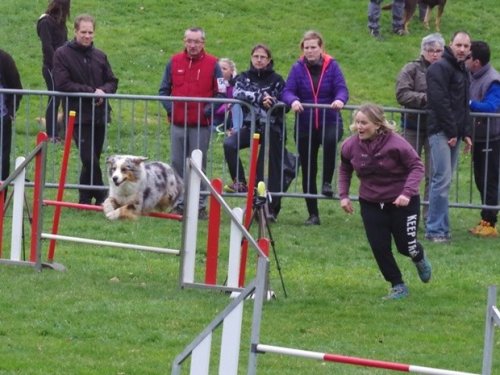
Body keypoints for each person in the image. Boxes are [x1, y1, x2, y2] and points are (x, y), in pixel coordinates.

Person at [338, 103, 431, 300]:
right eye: (357, 123)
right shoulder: (350, 145)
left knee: (406, 246)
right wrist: (344, 195)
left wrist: (407, 193)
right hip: (371, 202)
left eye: (364, 123)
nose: (360, 127)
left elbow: (417, 166)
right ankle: (398, 285)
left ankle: (418, 257)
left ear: (378, 124)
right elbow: (345, 168)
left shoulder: (396, 143)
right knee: (379, 246)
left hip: (402, 201)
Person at [282, 30, 349, 225]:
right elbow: (287, 91)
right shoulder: (297, 68)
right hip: (305, 123)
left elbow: (342, 88)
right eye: (306, 47)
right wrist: (293, 101)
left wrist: (339, 99)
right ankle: (313, 214)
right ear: (302, 49)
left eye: (313, 47)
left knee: (330, 141)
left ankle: (327, 182)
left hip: (330, 120)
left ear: (321, 48)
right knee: (308, 167)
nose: (310, 51)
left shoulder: (332, 66)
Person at [53, 14, 118, 205]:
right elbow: (62, 83)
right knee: (88, 158)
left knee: (94, 158)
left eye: (90, 32)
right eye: (83, 32)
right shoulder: (62, 54)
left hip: (99, 115)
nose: (87, 36)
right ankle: (102, 195)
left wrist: (102, 92)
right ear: (75, 31)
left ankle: (84, 197)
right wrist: (91, 92)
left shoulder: (100, 56)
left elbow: (112, 81)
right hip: (78, 115)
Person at [159, 27, 224, 219]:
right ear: (184, 41)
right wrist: (171, 109)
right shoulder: (174, 62)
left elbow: (221, 92)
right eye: (189, 41)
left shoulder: (213, 64)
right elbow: (163, 90)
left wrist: (207, 112)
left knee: (198, 166)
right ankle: (179, 203)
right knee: (177, 164)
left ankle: (199, 205)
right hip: (178, 123)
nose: (193, 45)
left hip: (201, 125)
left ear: (203, 43)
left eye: (197, 41)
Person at [223, 44, 286, 220]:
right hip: (249, 127)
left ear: (269, 60)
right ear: (251, 58)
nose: (259, 60)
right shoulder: (243, 77)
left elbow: (285, 102)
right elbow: (238, 92)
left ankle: (267, 210)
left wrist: (273, 102)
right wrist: (260, 97)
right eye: (256, 56)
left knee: (263, 171)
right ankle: (240, 182)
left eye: (263, 57)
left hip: (271, 129)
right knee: (229, 144)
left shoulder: (277, 79)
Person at [425, 31, 472, 243]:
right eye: (458, 44)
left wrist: (467, 132)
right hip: (440, 131)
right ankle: (435, 230)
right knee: (440, 180)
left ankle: (442, 228)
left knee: (445, 181)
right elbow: (439, 101)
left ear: (470, 49)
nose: (462, 49)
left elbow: (464, 105)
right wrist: (452, 132)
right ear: (450, 45)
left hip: (454, 132)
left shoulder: (463, 70)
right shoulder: (439, 67)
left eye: (466, 46)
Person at [396, 32, 445, 222]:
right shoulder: (411, 68)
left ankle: (429, 216)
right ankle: (406, 212)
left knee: (434, 173)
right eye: (430, 50)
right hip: (412, 127)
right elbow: (402, 94)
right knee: (407, 170)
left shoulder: (447, 70)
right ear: (423, 51)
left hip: (437, 129)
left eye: (438, 50)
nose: (434, 54)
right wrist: (427, 99)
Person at [466, 41, 500, 237]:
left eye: (468, 57)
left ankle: (490, 223)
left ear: (476, 61)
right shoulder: (473, 75)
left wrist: (468, 103)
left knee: (489, 179)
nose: (465, 60)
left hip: (491, 139)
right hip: (479, 137)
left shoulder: (493, 80)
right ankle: (485, 219)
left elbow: (491, 107)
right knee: (481, 179)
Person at [37, 0, 71, 142]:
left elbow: (64, 43)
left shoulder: (60, 24)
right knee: (54, 97)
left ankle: (64, 132)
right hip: (51, 67)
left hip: (62, 67)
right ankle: (51, 134)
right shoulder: (45, 22)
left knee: (64, 98)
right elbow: (47, 46)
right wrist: (56, 65)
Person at [0, 49, 23, 183]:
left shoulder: (4, 59)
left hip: (2, 118)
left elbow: (16, 88)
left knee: (2, 159)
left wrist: (11, 111)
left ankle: (1, 198)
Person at [213, 58, 243, 135]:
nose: (221, 70)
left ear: (232, 72)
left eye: (224, 69)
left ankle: (235, 131)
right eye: (219, 68)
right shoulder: (212, 85)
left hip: (231, 117)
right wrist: (226, 106)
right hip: (216, 117)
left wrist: (229, 106)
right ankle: (224, 131)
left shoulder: (236, 85)